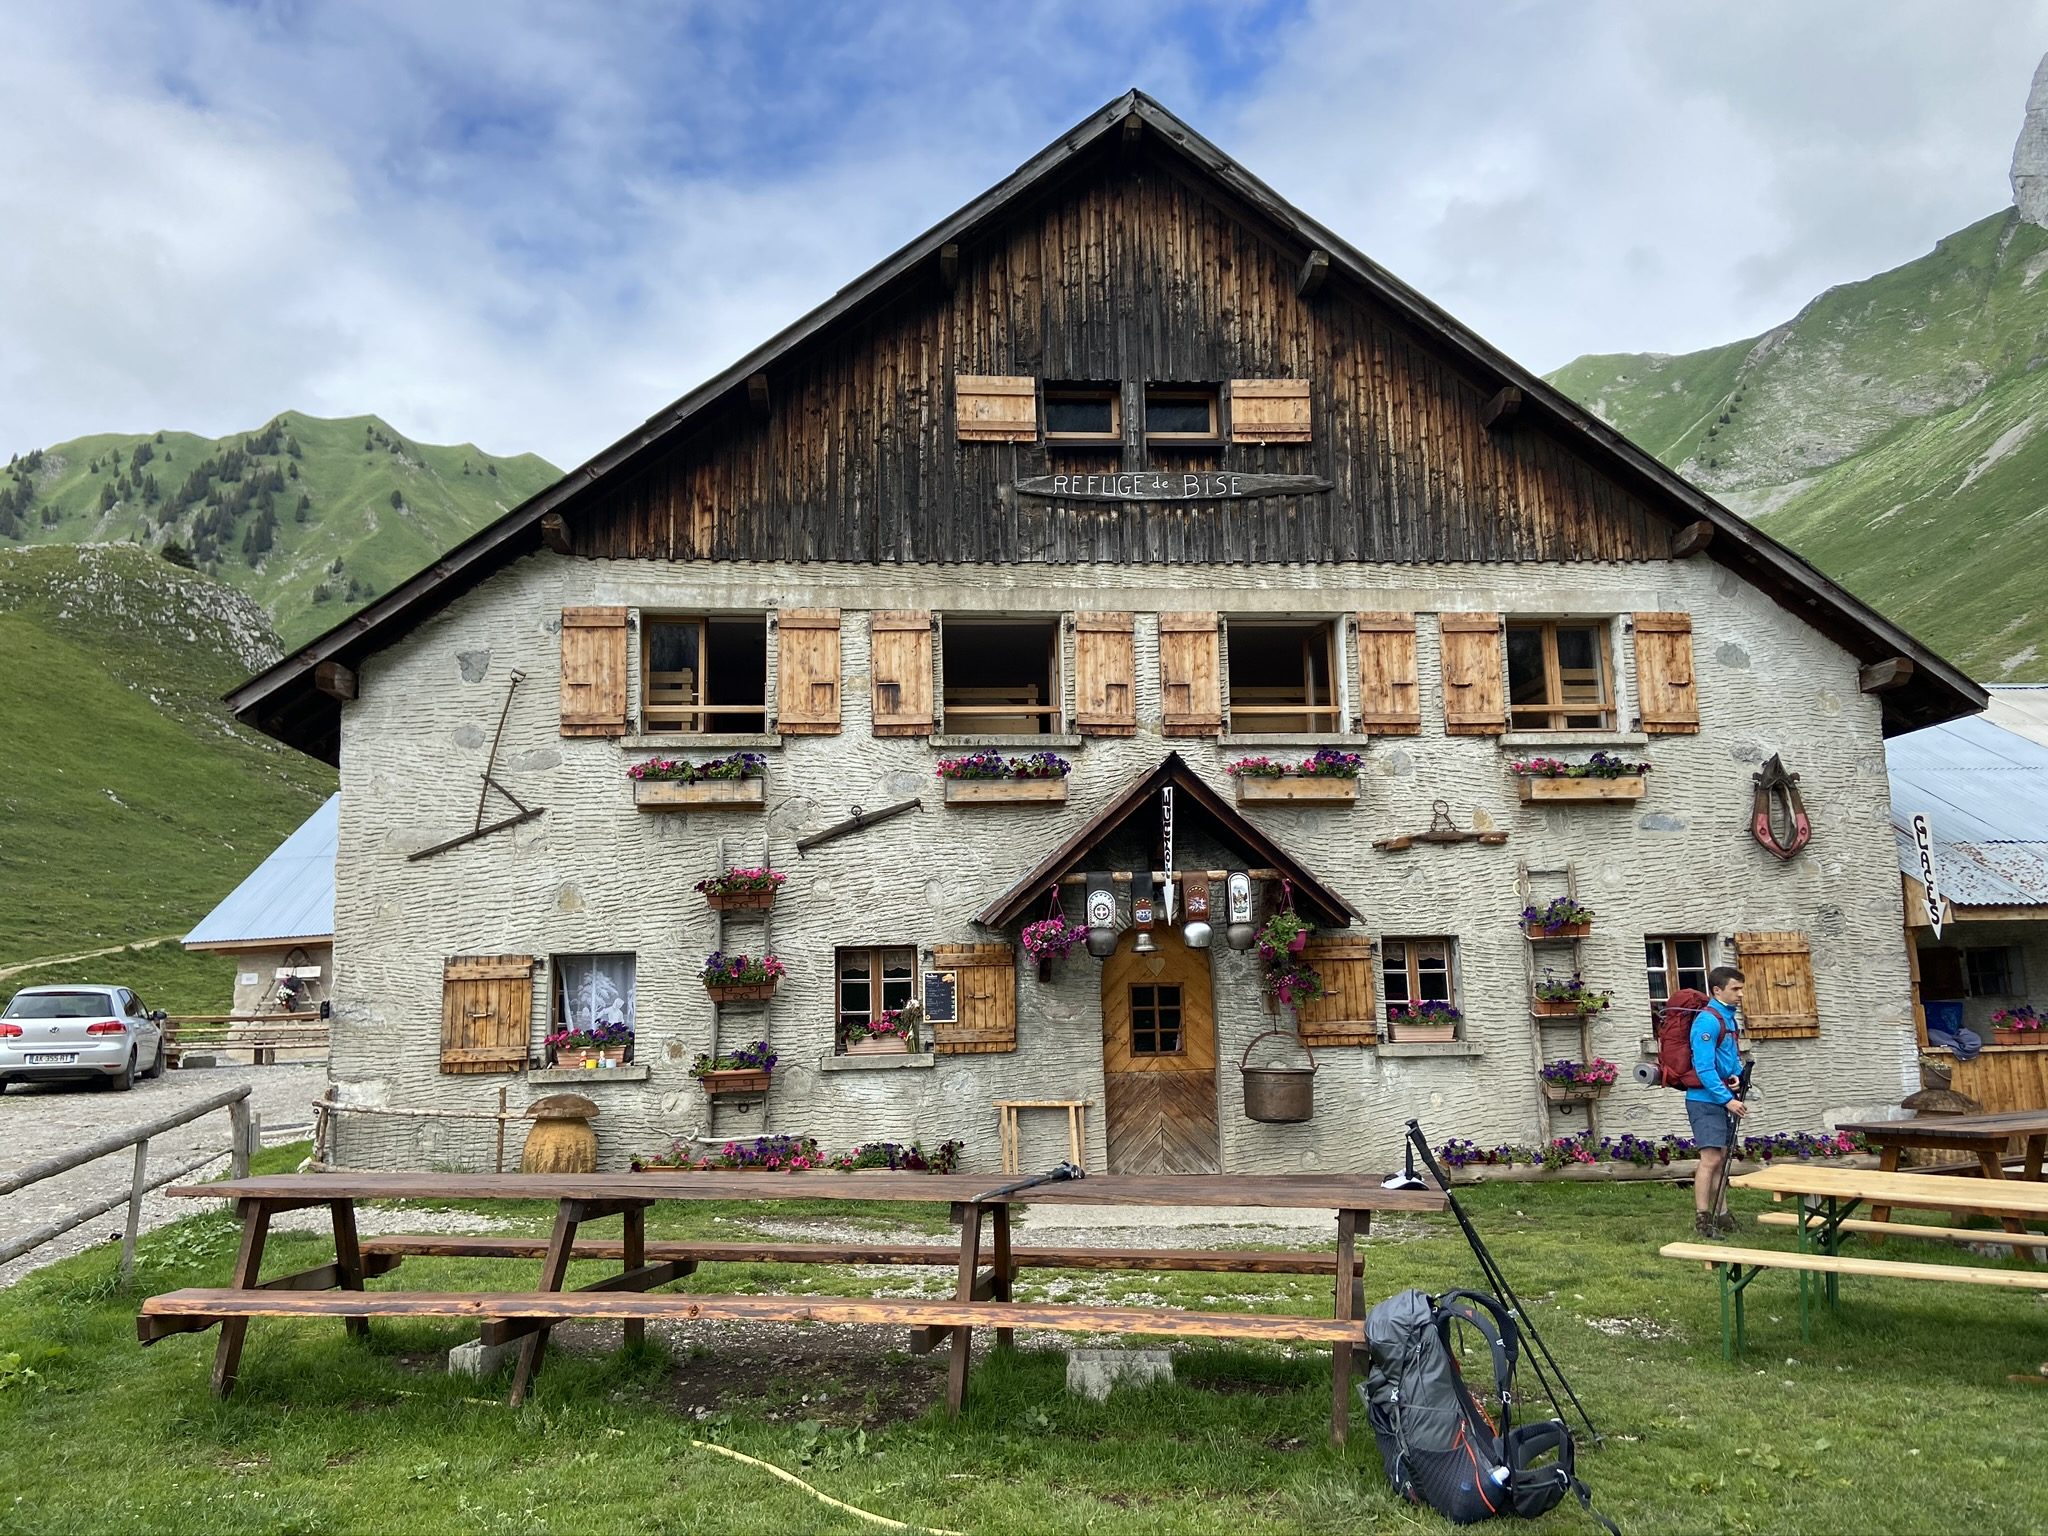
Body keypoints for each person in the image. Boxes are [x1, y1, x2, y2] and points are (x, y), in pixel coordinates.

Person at [1687, 966, 1747, 1239]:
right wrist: (1727, 1100)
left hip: (1721, 1098)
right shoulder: (1707, 1021)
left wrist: (1735, 1074)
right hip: (1704, 1100)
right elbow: (1704, 1067)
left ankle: (1721, 1215)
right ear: (1717, 991)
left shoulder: (1729, 1019)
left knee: (1720, 1159)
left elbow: (1730, 1055)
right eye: (1735, 989)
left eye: (1741, 988)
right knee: (1710, 1159)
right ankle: (1703, 1219)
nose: (1740, 994)